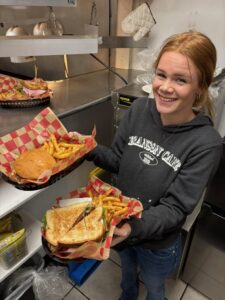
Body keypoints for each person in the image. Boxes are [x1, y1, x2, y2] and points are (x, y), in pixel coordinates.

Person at [87, 31, 223, 300]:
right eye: (161, 74)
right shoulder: (138, 110)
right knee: (126, 273)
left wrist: (133, 228)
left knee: (155, 286)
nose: (165, 86)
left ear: (201, 87)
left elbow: (175, 207)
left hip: (158, 244)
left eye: (180, 79)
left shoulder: (206, 143)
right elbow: (117, 161)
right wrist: (87, 150)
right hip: (121, 225)